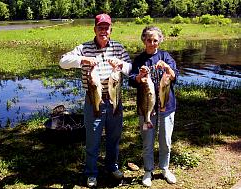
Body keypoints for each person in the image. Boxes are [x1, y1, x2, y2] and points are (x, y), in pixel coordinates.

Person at [59, 13, 132, 188]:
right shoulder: (83, 48)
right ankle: (91, 173)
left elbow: (131, 70)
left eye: (106, 28)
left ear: (111, 30)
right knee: (93, 139)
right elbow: (63, 62)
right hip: (93, 101)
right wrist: (82, 59)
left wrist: (121, 65)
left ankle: (112, 167)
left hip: (115, 100)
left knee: (114, 138)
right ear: (94, 29)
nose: (103, 31)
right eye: (100, 27)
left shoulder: (118, 48)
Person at [129, 26, 179, 187]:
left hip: (167, 106)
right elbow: (131, 80)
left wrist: (167, 67)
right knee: (147, 142)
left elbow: (174, 76)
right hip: (146, 108)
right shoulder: (139, 60)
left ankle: (165, 168)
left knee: (165, 140)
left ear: (160, 41)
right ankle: (148, 170)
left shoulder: (166, 56)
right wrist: (139, 76)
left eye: (155, 40)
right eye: (149, 40)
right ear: (144, 40)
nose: (152, 43)